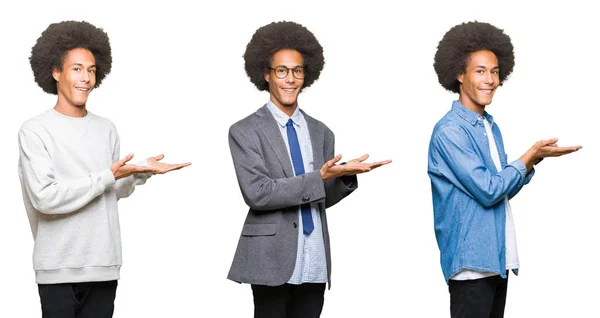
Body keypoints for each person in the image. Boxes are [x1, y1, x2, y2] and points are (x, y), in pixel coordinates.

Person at [19, 20, 191, 318]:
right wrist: (108, 175)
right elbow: (44, 197)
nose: (86, 78)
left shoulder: (106, 129)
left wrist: (138, 173)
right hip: (58, 268)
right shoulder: (35, 131)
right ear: (55, 71)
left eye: (92, 70)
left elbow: (109, 191)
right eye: (76, 68)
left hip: (104, 263)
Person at [227, 21, 391, 318]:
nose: (290, 79)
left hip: (314, 254)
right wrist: (321, 176)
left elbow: (319, 195)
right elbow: (258, 194)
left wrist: (345, 176)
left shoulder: (321, 132)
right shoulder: (245, 131)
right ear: (266, 74)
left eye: (297, 71)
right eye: (282, 70)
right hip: (270, 258)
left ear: (306, 75)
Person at [427, 21, 582, 317]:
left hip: (497, 259)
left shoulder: (490, 126)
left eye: (495, 72)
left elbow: (500, 187)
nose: (490, 80)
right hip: (471, 266)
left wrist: (533, 161)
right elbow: (488, 190)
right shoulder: (450, 132)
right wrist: (529, 156)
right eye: (480, 71)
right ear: (459, 75)